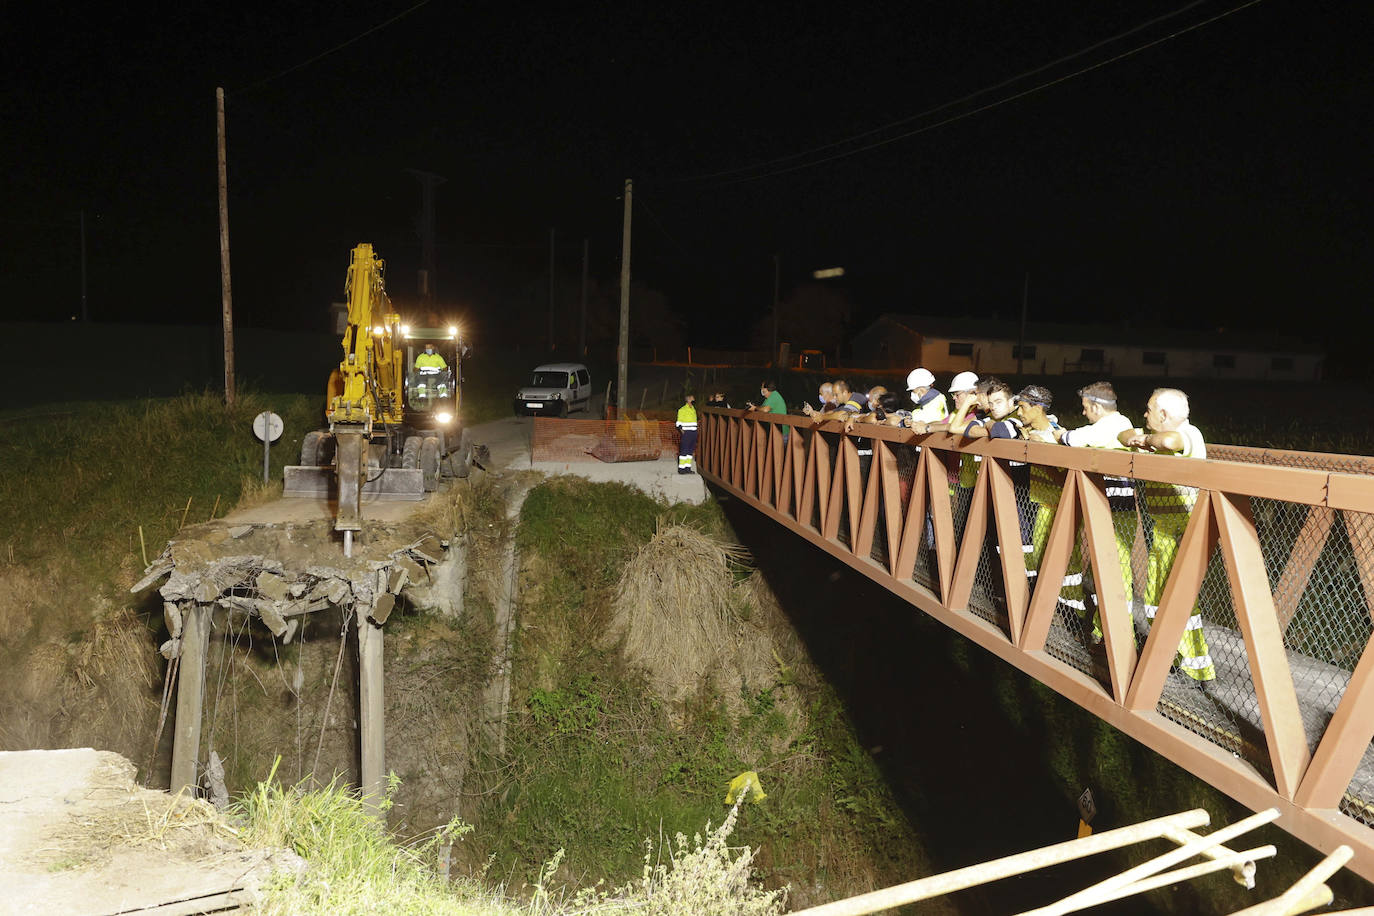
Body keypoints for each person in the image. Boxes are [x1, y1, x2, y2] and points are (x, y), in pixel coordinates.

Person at [1119, 388, 1216, 682]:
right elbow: (1123, 436)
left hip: (1185, 530)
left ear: (1163, 414)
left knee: (1180, 598)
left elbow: (1171, 441)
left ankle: (1198, 668)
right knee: (1155, 598)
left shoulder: (1189, 433)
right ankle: (1169, 655)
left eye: (1149, 410)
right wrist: (1141, 439)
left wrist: (1146, 440)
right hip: (1163, 531)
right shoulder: (1155, 439)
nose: (1145, 415)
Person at [1057, 381, 1136, 643]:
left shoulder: (1105, 428)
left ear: (1095, 407)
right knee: (1115, 571)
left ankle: (1111, 636)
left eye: (1085, 408)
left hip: (1110, 507)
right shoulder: (1122, 422)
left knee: (1112, 572)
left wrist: (1055, 434)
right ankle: (1107, 631)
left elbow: (1071, 439)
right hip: (1123, 506)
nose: (1083, 413)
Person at [676, 393, 698, 475]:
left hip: (694, 432)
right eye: (692, 398)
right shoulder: (682, 410)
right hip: (687, 432)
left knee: (690, 451)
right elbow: (678, 422)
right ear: (688, 399)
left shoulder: (693, 408)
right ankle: (681, 469)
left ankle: (688, 468)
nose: (694, 399)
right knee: (684, 450)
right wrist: (682, 431)